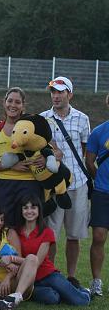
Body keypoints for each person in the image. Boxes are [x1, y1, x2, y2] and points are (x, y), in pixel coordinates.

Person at [40, 76, 90, 283]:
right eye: (53, 91)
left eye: (60, 91)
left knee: (74, 236)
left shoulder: (82, 118)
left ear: (70, 94)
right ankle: (50, 274)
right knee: (51, 236)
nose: (56, 96)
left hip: (77, 184)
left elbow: (85, 151)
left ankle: (71, 276)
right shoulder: (42, 118)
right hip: (53, 186)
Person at [10, 195, 90, 306]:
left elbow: (37, 262)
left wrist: (14, 259)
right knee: (52, 298)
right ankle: (65, 291)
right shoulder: (15, 232)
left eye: (33, 208)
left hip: (48, 274)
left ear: (39, 210)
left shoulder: (46, 232)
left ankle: (84, 292)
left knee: (81, 302)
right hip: (30, 280)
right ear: (21, 211)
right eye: (25, 208)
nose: (29, 211)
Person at [0, 88, 43, 227]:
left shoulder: (33, 125)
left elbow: (57, 152)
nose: (13, 105)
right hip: (5, 185)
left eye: (17, 102)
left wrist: (46, 159)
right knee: (4, 227)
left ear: (23, 105)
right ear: (4, 102)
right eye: (10, 101)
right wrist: (11, 166)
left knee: (28, 227)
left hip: (30, 184)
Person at [86, 93, 109, 297]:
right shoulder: (99, 131)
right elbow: (90, 161)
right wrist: (100, 179)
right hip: (103, 192)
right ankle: (96, 281)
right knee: (99, 236)